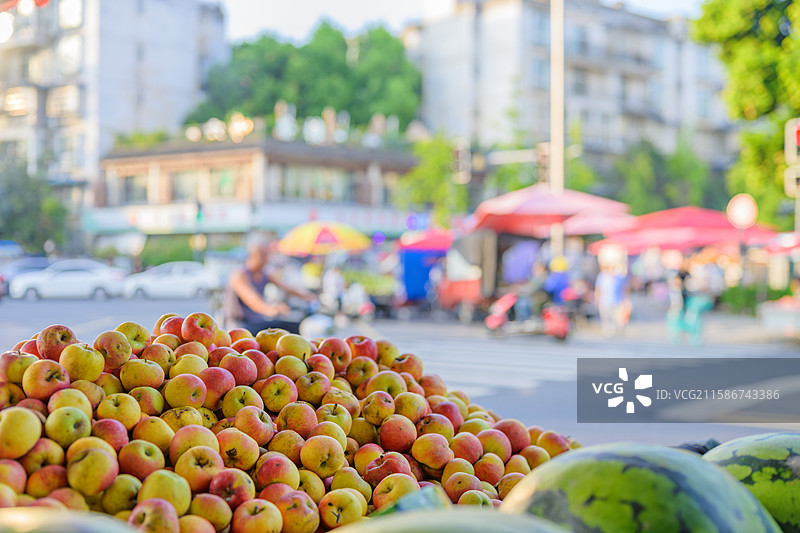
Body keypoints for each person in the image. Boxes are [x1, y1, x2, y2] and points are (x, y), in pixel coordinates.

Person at [227, 239, 316, 335]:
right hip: (241, 325)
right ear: (253, 255)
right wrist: (271, 309)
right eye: (264, 255)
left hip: (257, 321)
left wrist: (308, 296)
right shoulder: (240, 275)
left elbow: (286, 287)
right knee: (287, 329)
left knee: (293, 326)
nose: (267, 259)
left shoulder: (263, 273)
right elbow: (253, 301)